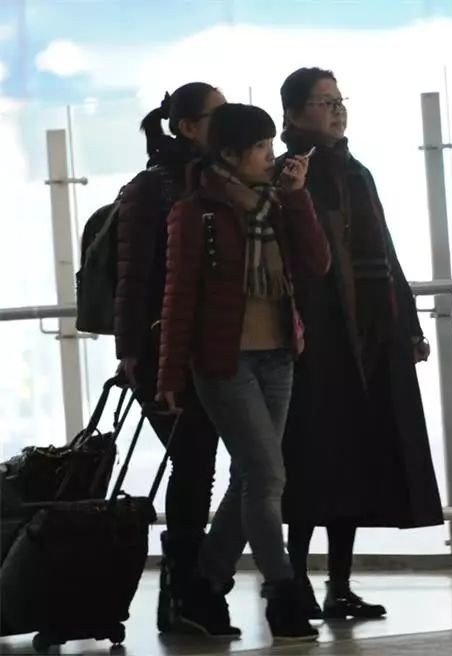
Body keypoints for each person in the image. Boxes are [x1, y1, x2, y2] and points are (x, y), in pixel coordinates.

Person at [156, 103, 331, 640]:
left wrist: (298, 197)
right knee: (268, 475)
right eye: (260, 148)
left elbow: (316, 263)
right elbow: (179, 296)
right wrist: (168, 374)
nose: (271, 156)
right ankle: (283, 590)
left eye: (271, 145)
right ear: (230, 154)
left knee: (252, 477)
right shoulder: (195, 213)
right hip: (223, 362)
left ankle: (204, 587)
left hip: (278, 354)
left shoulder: (277, 203)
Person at [278, 67, 444, 620]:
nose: (337, 110)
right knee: (311, 459)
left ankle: (339, 584)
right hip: (314, 341)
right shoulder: (287, 174)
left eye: (339, 100)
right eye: (324, 102)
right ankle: (293, 579)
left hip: (367, 335)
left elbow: (385, 253)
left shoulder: (355, 171)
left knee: (353, 455)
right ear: (294, 113)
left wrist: (408, 325)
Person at [113, 82, 235, 634]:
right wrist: (131, 352)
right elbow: (133, 276)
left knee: (204, 464)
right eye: (217, 115)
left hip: (206, 347)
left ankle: (187, 591)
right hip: (162, 350)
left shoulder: (219, 179)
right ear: (187, 127)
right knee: (195, 460)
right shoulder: (154, 187)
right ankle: (185, 591)